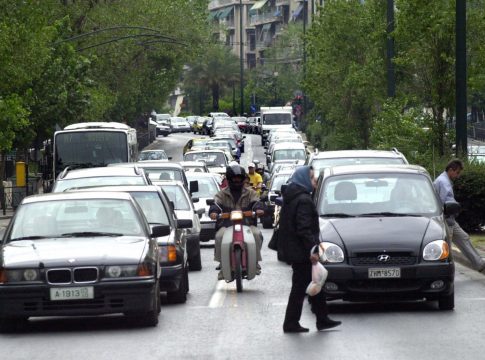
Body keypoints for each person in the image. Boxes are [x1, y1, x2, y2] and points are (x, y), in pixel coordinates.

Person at [278, 166, 341, 333]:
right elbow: (304, 228)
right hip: (301, 251)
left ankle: (322, 319)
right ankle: (291, 323)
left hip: (295, 249)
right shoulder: (304, 199)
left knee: (316, 282)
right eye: (313, 179)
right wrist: (312, 250)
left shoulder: (293, 196)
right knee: (300, 288)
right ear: (304, 180)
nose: (315, 183)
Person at [209, 165, 265, 280]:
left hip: (247, 224)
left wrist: (258, 209)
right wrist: (214, 212)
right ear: (229, 179)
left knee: (257, 234)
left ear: (243, 179)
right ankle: (222, 265)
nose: (237, 181)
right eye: (234, 178)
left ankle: (255, 262)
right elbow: (216, 205)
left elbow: (256, 203)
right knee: (219, 236)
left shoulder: (250, 193)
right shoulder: (222, 194)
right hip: (226, 225)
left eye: (239, 178)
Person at [433, 159, 485, 272]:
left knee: (463, 237)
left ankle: (479, 263)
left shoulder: (443, 180)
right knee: (447, 248)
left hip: (449, 220)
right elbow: (447, 204)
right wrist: (457, 209)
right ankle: (443, 273)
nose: (458, 175)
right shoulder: (443, 182)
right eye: (457, 172)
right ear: (451, 170)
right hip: (446, 220)